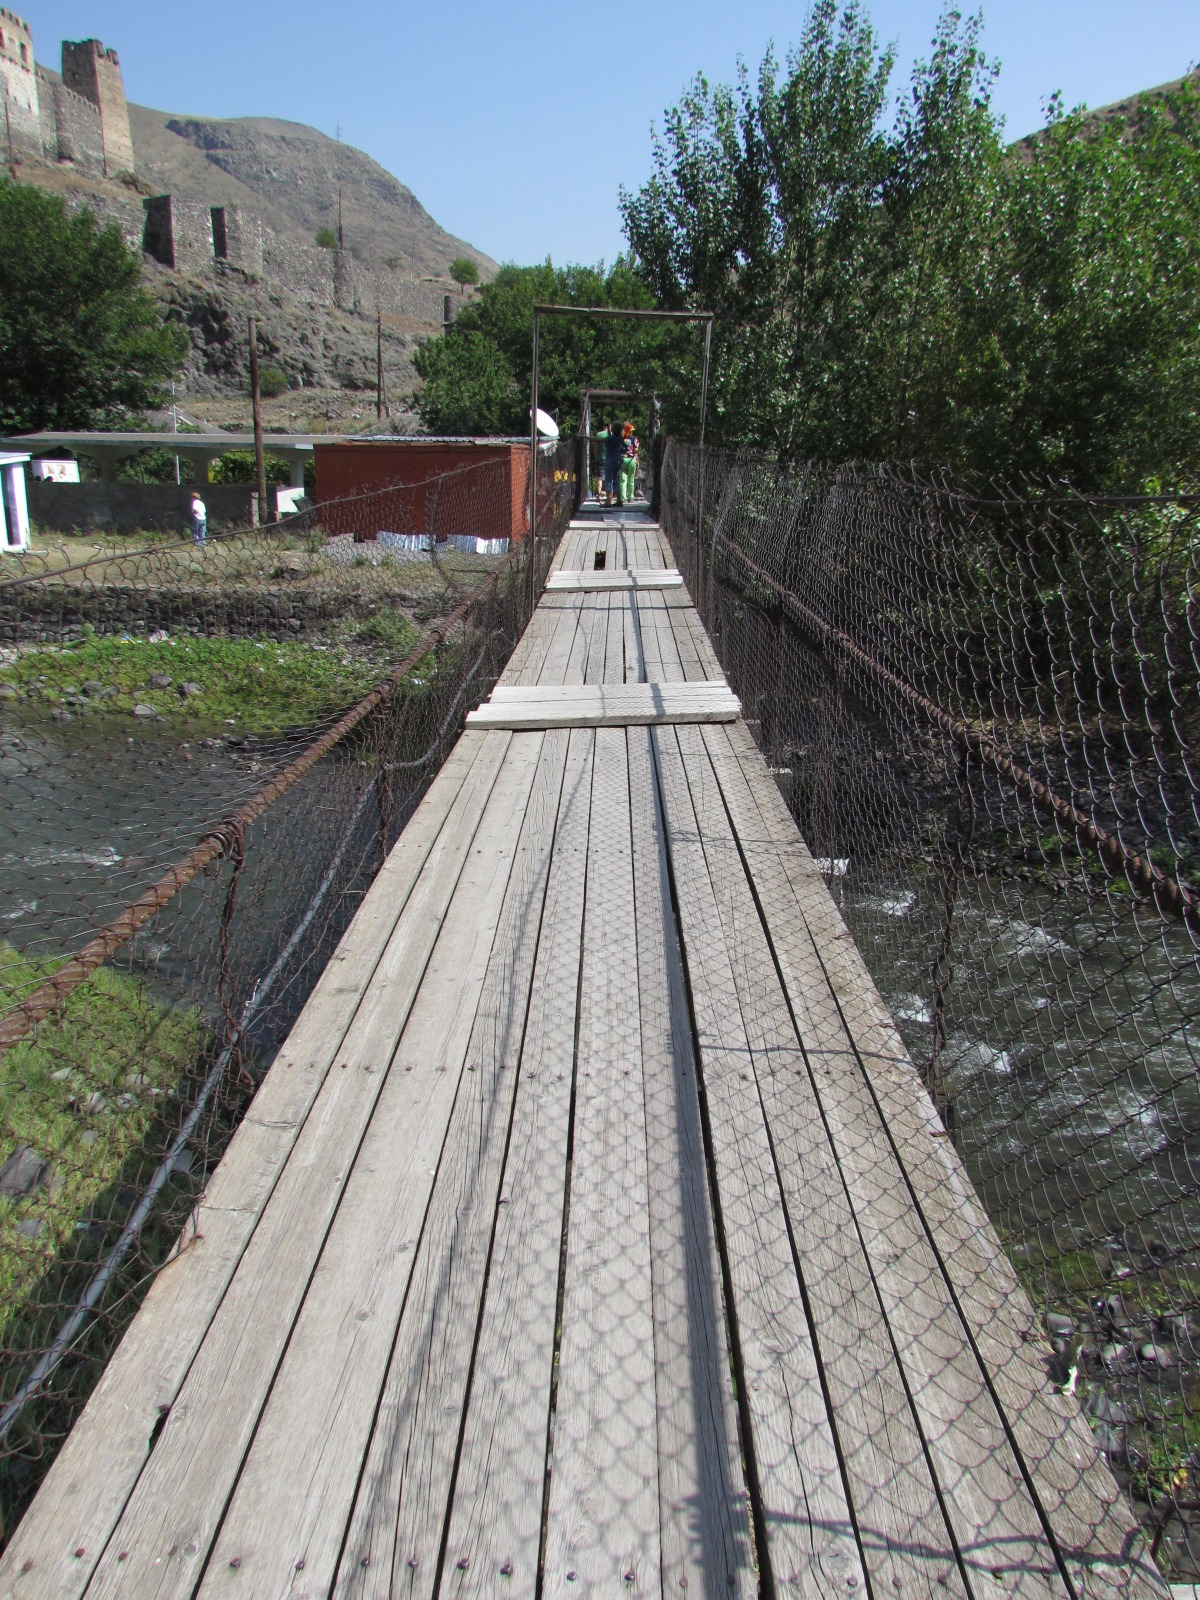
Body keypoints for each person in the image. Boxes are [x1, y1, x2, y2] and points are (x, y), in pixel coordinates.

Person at [602, 420, 623, 507]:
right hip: (618, 460)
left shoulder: (610, 438)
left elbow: (600, 440)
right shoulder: (620, 438)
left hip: (610, 460)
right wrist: (609, 431)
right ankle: (619, 500)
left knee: (608, 480)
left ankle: (608, 501)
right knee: (616, 479)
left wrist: (586, 438)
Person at [619, 422, 639, 507]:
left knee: (623, 481)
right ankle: (631, 497)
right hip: (631, 460)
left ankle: (623, 498)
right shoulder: (634, 438)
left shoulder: (620, 438)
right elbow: (635, 450)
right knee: (631, 480)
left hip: (622, 459)